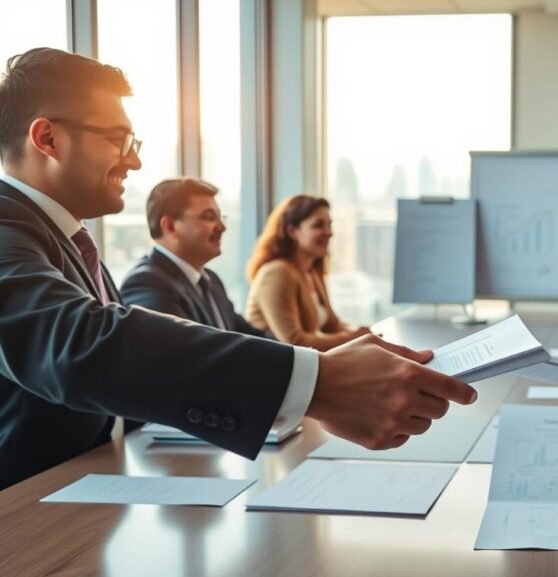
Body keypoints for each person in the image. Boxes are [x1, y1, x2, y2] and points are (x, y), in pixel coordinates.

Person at [0, 48, 476, 490]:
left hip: (75, 501)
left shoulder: (66, 241)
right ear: (47, 138)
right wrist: (316, 382)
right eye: (117, 139)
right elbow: (77, 344)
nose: (135, 159)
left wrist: (323, 370)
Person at [120, 177, 268, 338]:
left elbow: (249, 337)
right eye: (209, 216)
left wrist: (295, 355)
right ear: (170, 226)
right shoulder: (146, 283)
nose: (222, 227)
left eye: (221, 217)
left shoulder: (211, 280)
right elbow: (184, 353)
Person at [245, 195, 372, 350]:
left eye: (329, 225)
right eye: (318, 225)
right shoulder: (277, 273)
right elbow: (294, 341)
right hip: (273, 368)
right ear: (292, 231)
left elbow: (332, 324)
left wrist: (364, 335)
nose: (329, 232)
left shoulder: (311, 272)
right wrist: (352, 338)